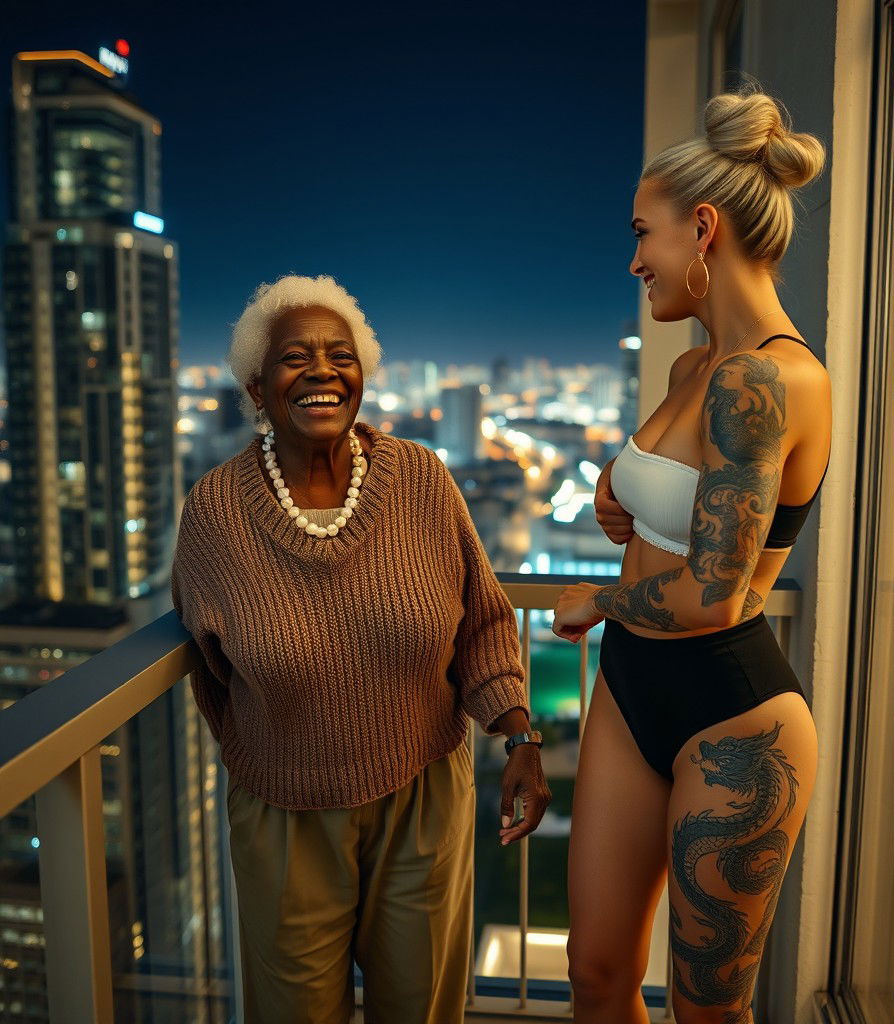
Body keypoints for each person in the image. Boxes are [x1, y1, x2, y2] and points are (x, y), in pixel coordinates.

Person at [171, 274, 551, 1024]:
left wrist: (520, 736)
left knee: (421, 1008)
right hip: (284, 815)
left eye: (339, 354)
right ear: (256, 386)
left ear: (363, 375)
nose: (320, 370)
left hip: (425, 797)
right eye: (294, 357)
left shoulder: (420, 480)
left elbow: (481, 624)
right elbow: (211, 675)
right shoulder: (214, 510)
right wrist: (282, 755)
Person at [553, 89, 831, 1024]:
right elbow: (680, 488)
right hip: (634, 687)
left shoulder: (771, 379)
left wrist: (602, 600)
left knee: (707, 1014)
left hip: (732, 715)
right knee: (595, 975)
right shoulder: (693, 368)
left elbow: (716, 595)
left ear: (702, 228)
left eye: (646, 234)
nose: (635, 259)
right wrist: (614, 486)